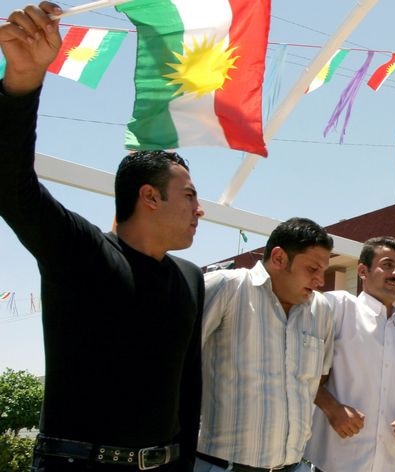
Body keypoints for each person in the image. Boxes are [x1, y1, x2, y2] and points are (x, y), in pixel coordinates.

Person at [0, 4, 206, 471]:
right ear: (149, 197)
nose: (200, 210)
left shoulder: (191, 278)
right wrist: (24, 80)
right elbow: (11, 186)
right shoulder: (81, 252)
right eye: (190, 195)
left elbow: (188, 394)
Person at [194, 218, 334, 472]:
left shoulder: (321, 310)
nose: (320, 281)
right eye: (312, 269)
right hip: (223, 466)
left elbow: (317, 381)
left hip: (293, 466)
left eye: (323, 271)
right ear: (279, 258)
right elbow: (175, 365)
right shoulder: (226, 288)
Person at [306, 237, 395, 472]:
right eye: (388, 264)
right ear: (362, 270)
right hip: (338, 462)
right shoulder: (337, 307)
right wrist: (332, 409)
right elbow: (300, 369)